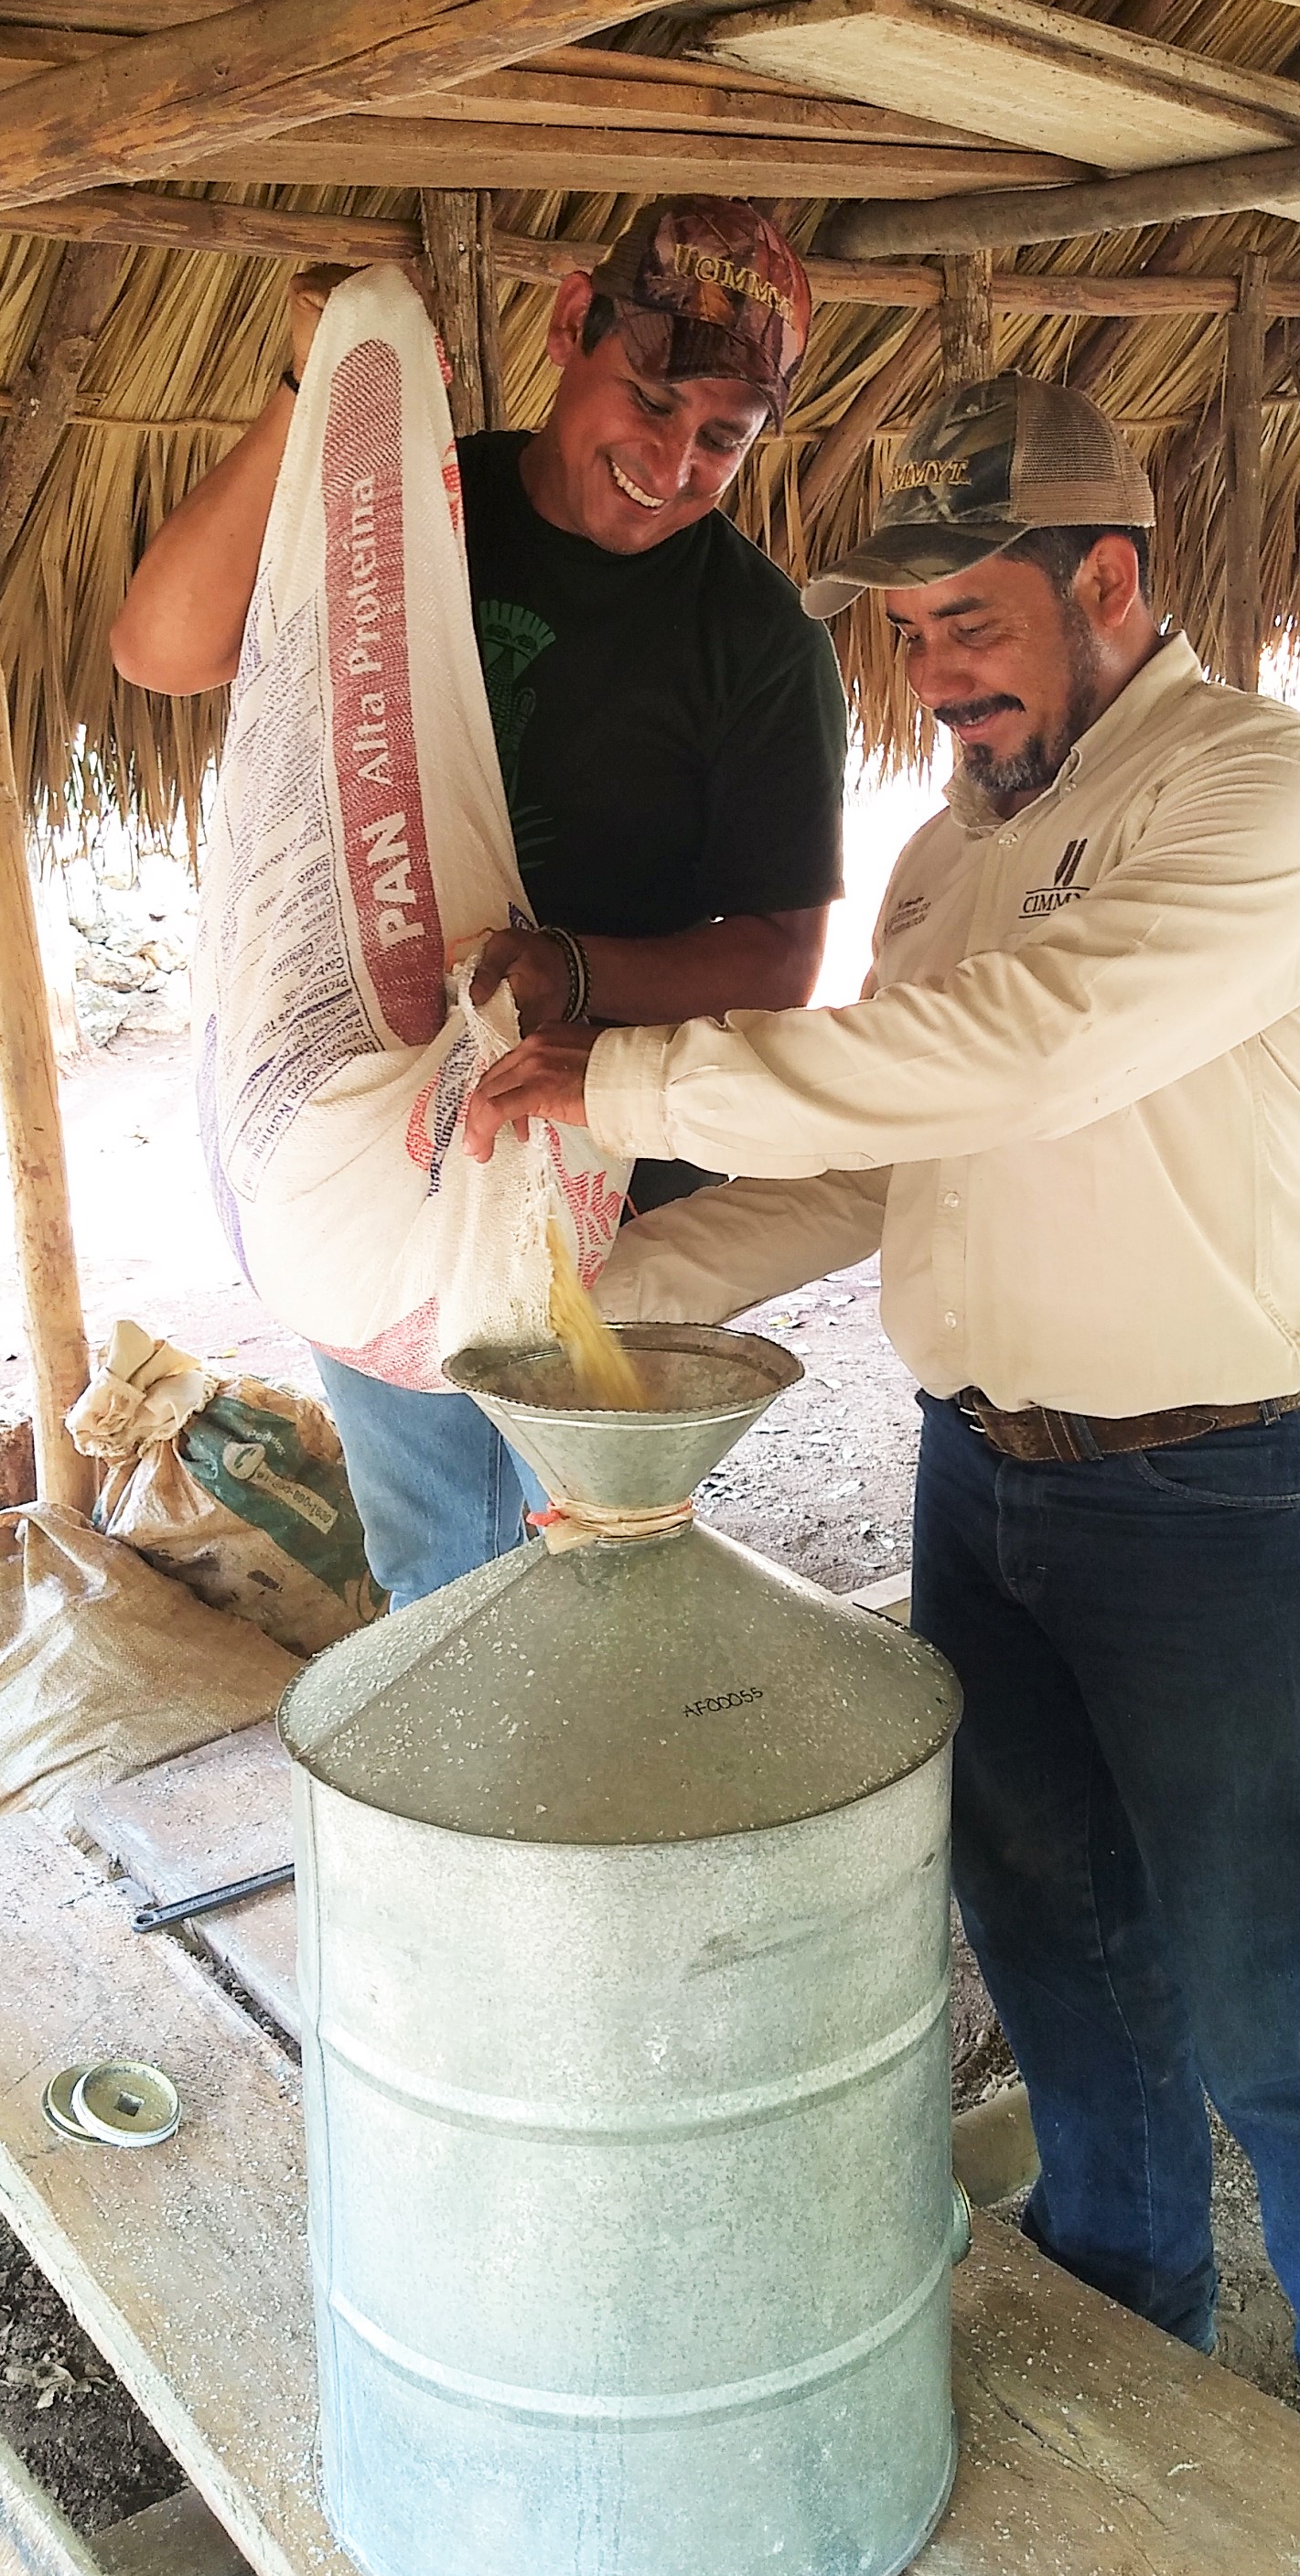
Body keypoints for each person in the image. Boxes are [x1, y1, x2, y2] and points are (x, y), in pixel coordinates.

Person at [460, 371, 1300, 2517]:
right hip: (985, 1478)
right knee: (1052, 1948)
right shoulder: (950, 854)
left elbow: (1017, 1057)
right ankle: (1127, 2330)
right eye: (911, 632)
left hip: (1211, 1493)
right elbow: (886, 1156)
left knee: (1277, 1999)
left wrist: (627, 1080)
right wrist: (587, 1305)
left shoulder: (1259, 794)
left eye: (972, 618)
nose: (937, 674)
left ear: (1105, 581)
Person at [113, 199, 847, 1605]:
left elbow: (773, 963)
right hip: (377, 1150)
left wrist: (559, 974)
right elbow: (162, 646)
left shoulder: (755, 642)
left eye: (724, 437)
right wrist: (315, 385)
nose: (671, 464)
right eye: (649, 400)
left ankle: (569, 1807)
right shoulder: (412, 516)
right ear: (571, 325)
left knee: (585, 1577)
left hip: (608, 1189)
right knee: (443, 1569)